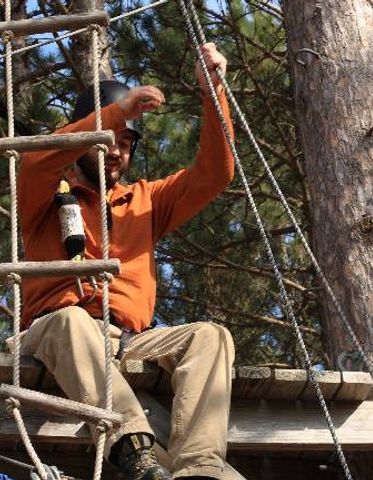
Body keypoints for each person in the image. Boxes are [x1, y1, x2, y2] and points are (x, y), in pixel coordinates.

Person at [14, 43, 234, 480]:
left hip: (128, 339)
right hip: (54, 333)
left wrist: (213, 92)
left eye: (126, 143)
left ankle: (200, 469)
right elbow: (38, 159)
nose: (116, 151)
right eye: (106, 141)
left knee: (210, 337)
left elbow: (215, 173)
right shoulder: (43, 194)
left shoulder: (146, 201)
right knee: (71, 320)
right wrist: (115, 115)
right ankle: (136, 452)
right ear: (82, 142)